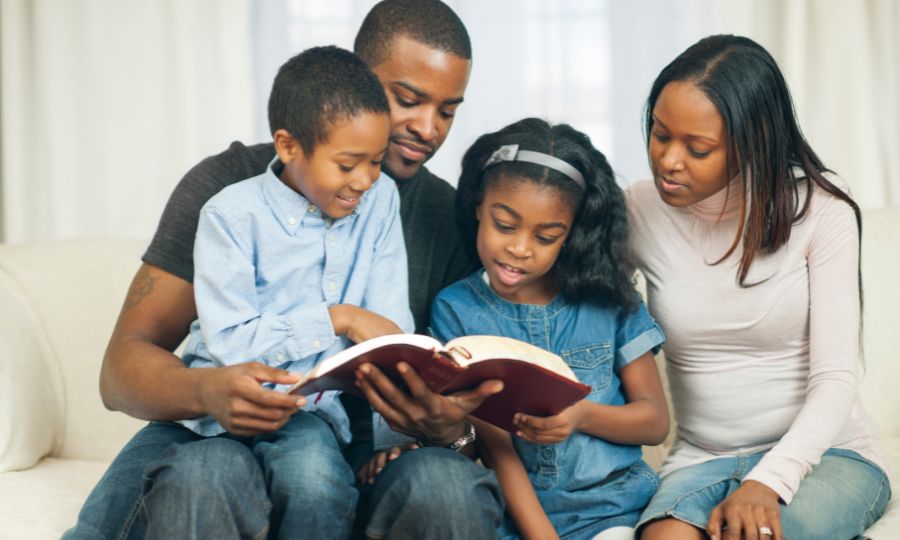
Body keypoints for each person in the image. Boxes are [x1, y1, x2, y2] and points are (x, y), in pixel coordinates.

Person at [65, 1, 503, 538]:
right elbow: (120, 371)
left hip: (368, 449)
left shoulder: (447, 218)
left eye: (448, 110)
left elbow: (450, 382)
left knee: (447, 491)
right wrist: (206, 391)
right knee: (205, 473)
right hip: (222, 428)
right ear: (355, 81)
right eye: (407, 100)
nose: (427, 129)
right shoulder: (228, 190)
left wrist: (450, 430)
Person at [629, 35, 891, 540]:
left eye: (697, 147)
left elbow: (836, 379)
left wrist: (767, 481)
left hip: (827, 455)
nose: (668, 160)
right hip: (701, 457)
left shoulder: (821, 212)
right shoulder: (638, 212)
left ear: (753, 141)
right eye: (660, 135)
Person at [372, 117, 670, 539]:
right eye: (505, 225)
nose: (519, 248)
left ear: (570, 235)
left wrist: (583, 416)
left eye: (546, 237)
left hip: (616, 511)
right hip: (520, 521)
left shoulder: (608, 297)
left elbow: (655, 421)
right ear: (479, 206)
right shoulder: (456, 310)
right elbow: (498, 449)